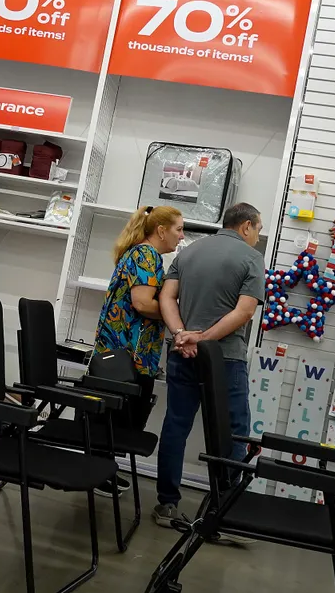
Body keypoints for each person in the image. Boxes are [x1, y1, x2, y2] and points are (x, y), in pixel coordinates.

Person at [154, 202, 264, 534]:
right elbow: (244, 312)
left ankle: (166, 503)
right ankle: (223, 512)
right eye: (257, 230)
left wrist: (180, 335)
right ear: (246, 226)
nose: (257, 238)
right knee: (232, 434)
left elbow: (166, 298)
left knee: (176, 425)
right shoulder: (251, 259)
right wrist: (204, 339)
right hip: (224, 358)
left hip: (181, 353)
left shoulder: (187, 253)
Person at [93, 205, 184, 496]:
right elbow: (143, 303)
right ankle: (97, 474)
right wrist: (176, 315)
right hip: (127, 354)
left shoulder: (138, 252)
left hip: (124, 351)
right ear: (161, 230)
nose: (181, 237)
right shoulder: (147, 255)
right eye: (178, 229)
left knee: (116, 417)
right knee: (118, 417)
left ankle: (102, 469)